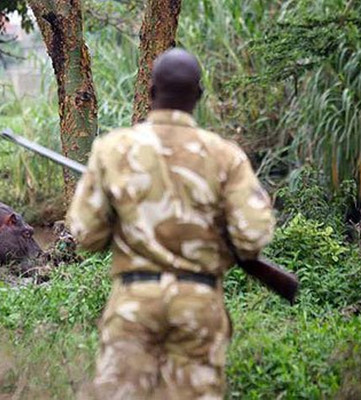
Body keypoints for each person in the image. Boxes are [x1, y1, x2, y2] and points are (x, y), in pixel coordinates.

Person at [66, 48, 275, 399]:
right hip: (198, 304)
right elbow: (253, 236)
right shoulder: (226, 156)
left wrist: (122, 217)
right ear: (199, 96)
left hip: (134, 302)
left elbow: (85, 235)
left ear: (150, 92)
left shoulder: (112, 149)